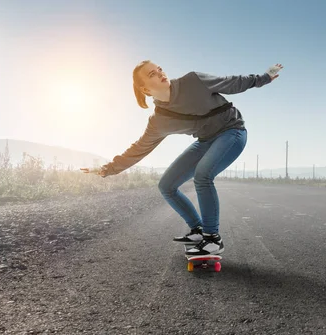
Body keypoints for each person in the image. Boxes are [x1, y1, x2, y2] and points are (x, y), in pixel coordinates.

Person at [82, 60, 283, 256]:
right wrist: (108, 169)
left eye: (159, 69)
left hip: (232, 131)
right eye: (152, 74)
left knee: (202, 175)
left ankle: (212, 239)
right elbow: (139, 148)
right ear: (145, 90)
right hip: (206, 141)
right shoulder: (159, 121)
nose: (161, 73)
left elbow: (232, 82)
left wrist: (264, 77)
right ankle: (197, 230)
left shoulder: (193, 81)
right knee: (167, 185)